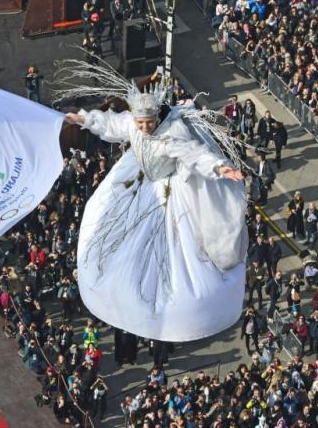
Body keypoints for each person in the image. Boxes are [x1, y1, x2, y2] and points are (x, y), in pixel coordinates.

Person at [59, 65, 247, 341]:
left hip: (169, 190)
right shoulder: (132, 127)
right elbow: (110, 123)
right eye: (140, 123)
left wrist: (219, 168)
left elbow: (193, 153)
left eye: (149, 123)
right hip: (139, 182)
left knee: (172, 246)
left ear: (157, 117)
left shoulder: (172, 135)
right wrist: (84, 119)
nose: (145, 128)